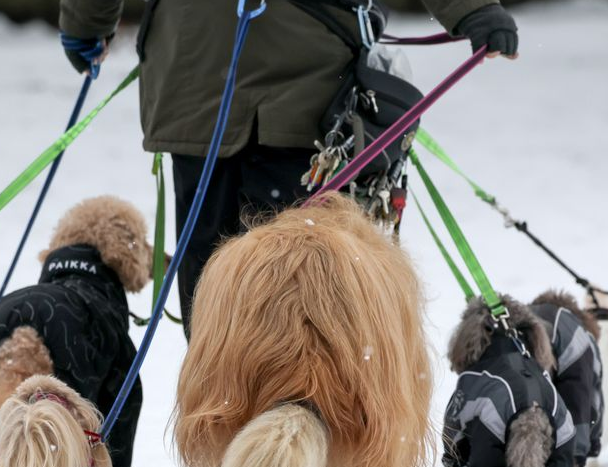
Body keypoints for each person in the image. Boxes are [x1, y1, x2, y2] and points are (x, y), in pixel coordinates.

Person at [59, 0, 519, 335]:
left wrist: (87, 23)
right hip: (305, 85)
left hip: (195, 72)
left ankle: (228, 427)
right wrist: (471, 10)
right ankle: (294, 428)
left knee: (214, 290)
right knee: (306, 287)